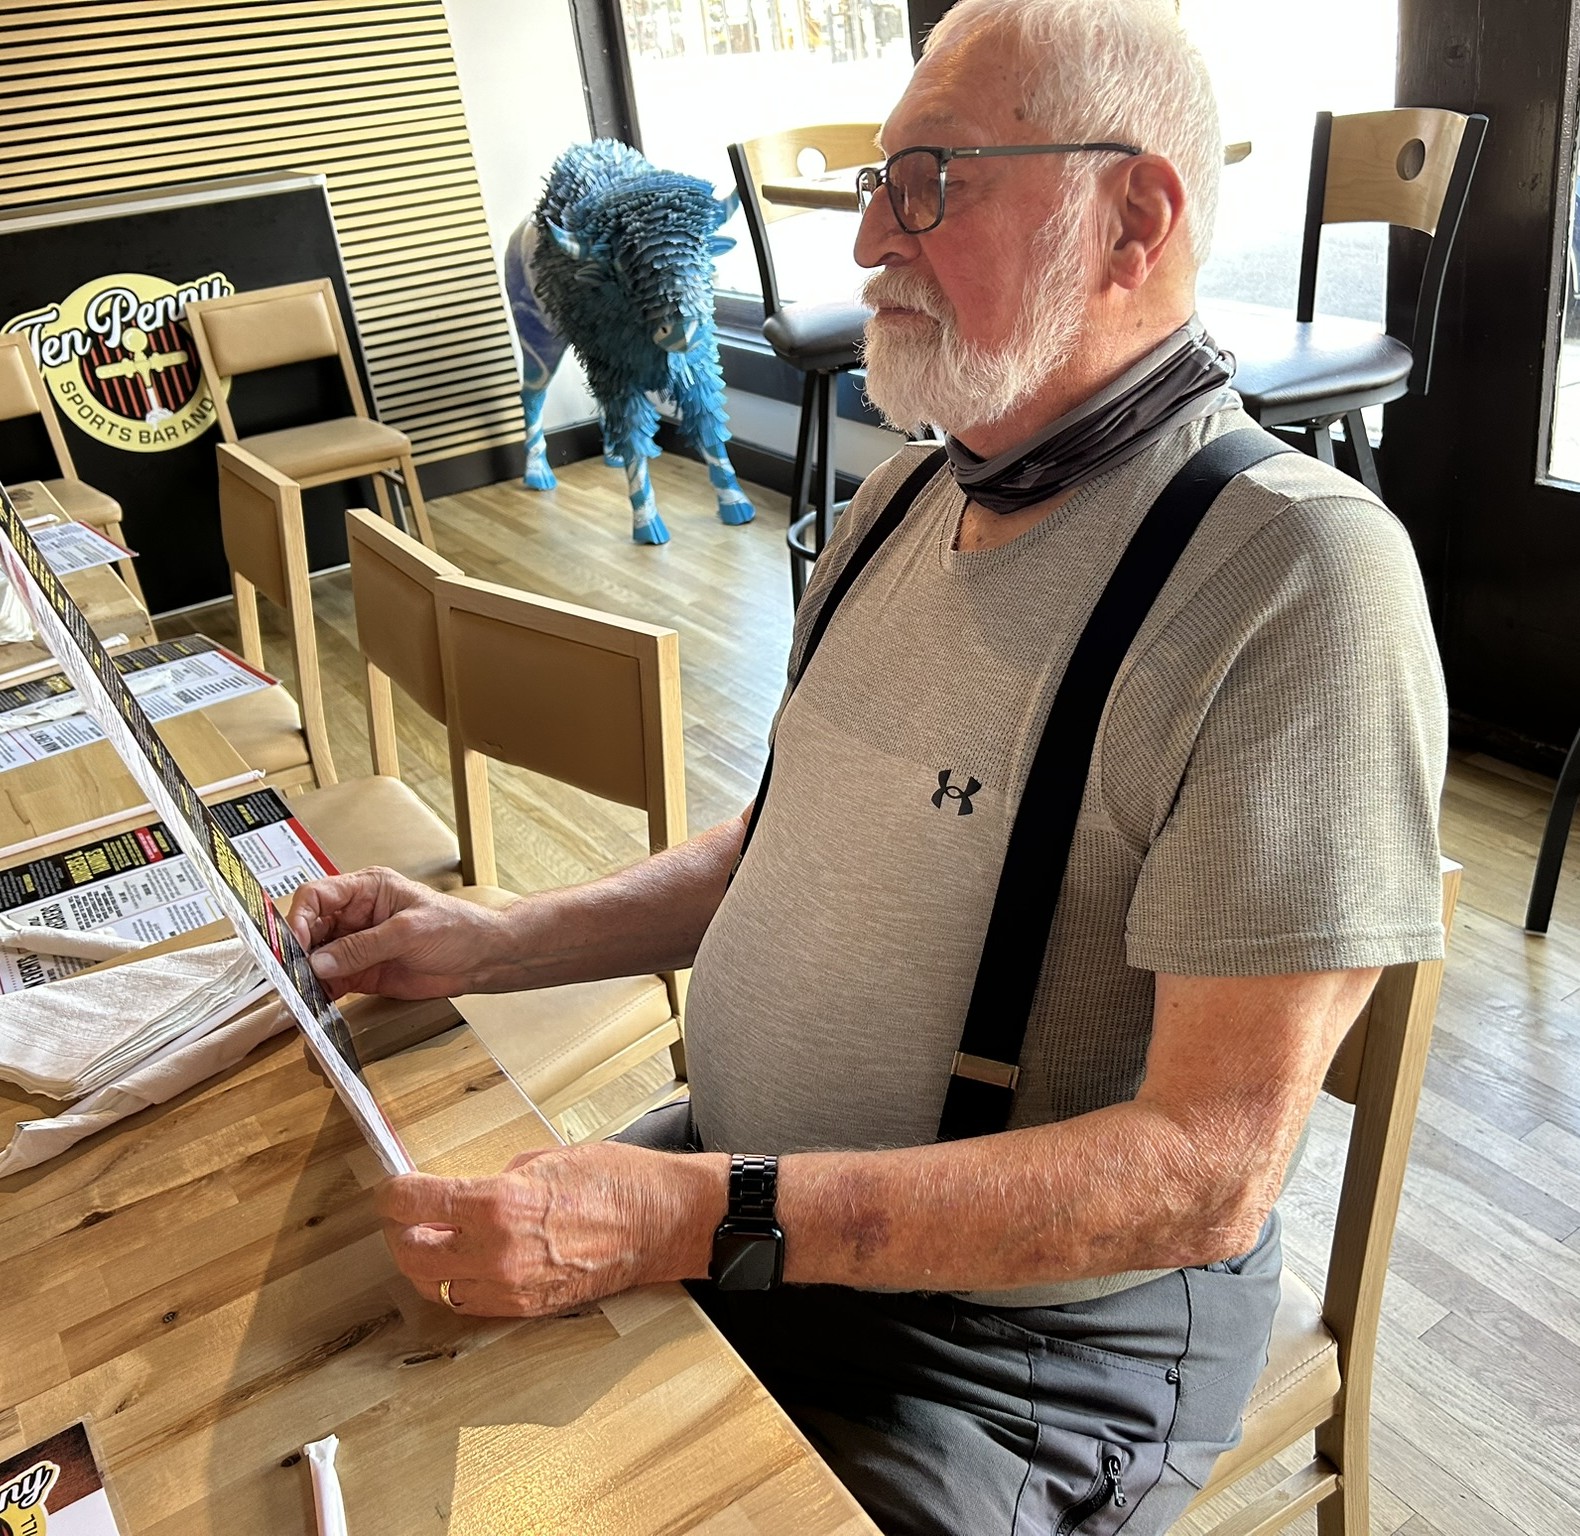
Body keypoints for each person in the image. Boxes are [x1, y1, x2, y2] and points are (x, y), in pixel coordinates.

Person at [287, 1, 1447, 1530]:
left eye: (928, 185)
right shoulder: (902, 500)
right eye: (875, 187)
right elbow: (784, 841)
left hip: (1007, 1360)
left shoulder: (1295, 578)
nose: (865, 243)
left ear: (1132, 219)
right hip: (740, 1195)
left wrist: (705, 1214)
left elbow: (1203, 1174)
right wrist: (491, 942)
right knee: (373, 1404)